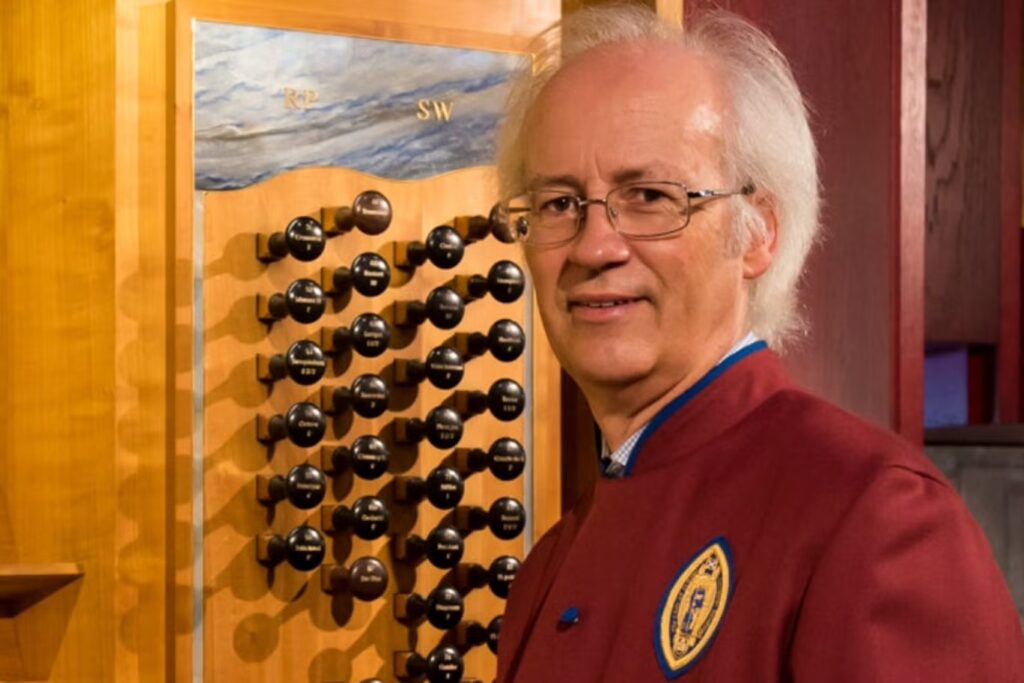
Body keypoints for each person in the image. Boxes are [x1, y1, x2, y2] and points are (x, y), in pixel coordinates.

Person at [492, 5, 1024, 681]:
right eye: (558, 203)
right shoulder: (549, 564)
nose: (594, 246)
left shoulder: (878, 519)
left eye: (651, 195)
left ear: (757, 233)